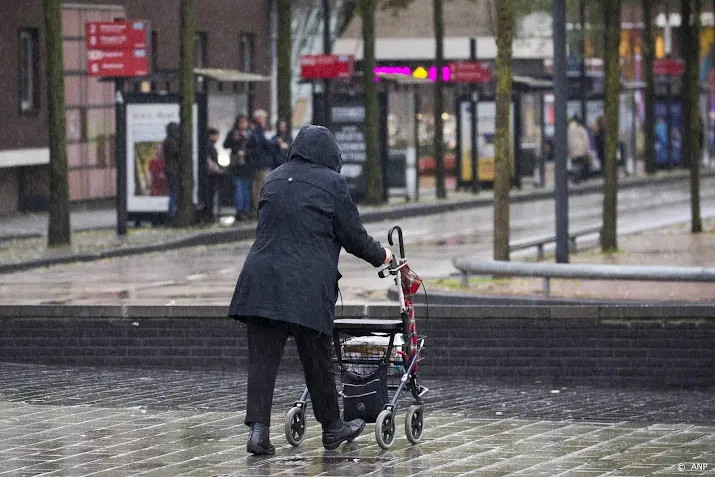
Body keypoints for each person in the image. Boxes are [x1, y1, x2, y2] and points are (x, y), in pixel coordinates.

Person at [228, 124, 393, 455]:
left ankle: (258, 433)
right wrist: (383, 256)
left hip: (261, 280)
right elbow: (353, 236)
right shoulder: (332, 183)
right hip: (306, 285)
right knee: (316, 358)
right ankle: (332, 428)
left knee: (262, 360)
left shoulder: (274, 177)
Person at [245, 109, 278, 220]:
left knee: (257, 188)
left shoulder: (254, 131)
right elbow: (264, 144)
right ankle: (259, 211)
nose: (265, 120)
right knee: (260, 188)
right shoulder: (259, 131)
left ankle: (257, 210)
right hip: (261, 164)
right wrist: (275, 142)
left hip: (257, 163)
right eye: (264, 118)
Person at [223, 115, 252, 222]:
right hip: (236, 166)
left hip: (246, 166)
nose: (243, 125)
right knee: (239, 188)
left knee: (246, 189)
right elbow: (225, 145)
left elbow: (255, 148)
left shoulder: (250, 134)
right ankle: (240, 211)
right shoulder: (233, 134)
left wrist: (247, 153)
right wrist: (233, 140)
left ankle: (246, 210)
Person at [201, 127, 223, 223]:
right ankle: (209, 214)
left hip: (209, 174)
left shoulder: (207, 145)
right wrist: (218, 170)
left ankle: (208, 214)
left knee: (209, 195)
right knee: (210, 195)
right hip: (211, 174)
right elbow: (210, 161)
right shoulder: (210, 146)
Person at [162, 122, 180, 222]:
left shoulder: (167, 140)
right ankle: (171, 212)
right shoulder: (171, 141)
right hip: (173, 170)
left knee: (173, 191)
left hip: (170, 169)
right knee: (174, 192)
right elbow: (176, 152)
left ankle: (172, 211)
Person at [567, 116, 591, 183]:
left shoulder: (569, 129)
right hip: (581, 150)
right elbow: (586, 140)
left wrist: (569, 150)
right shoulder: (581, 129)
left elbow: (568, 141)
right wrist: (586, 150)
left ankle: (575, 178)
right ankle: (579, 178)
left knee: (574, 164)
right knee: (580, 164)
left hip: (572, 150)